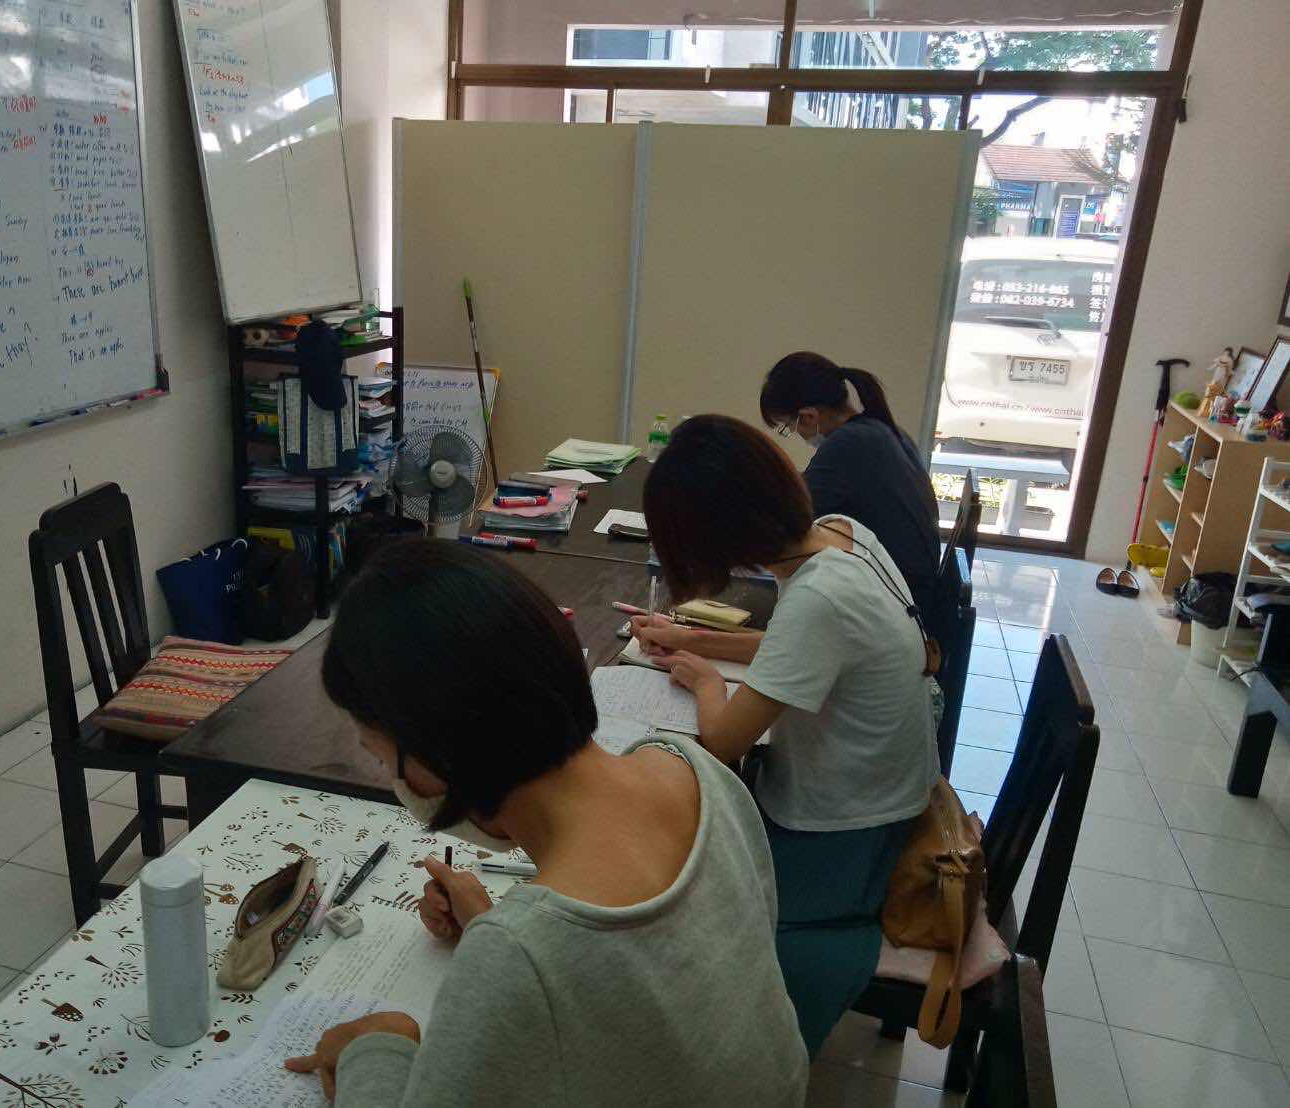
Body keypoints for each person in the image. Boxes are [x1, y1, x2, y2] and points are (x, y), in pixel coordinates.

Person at [284, 539, 808, 1106]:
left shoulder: (515, 955)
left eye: (381, 756)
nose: (393, 778)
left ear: (437, 748)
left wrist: (380, 1045)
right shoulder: (696, 769)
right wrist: (503, 929)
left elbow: (557, 957)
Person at [634, 415, 938, 1055]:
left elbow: (723, 743)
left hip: (852, 831)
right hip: (890, 791)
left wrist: (706, 681)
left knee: (686, 878)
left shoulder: (818, 598)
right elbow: (794, 648)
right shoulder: (842, 534)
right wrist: (693, 637)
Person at [760, 351, 941, 629]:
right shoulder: (882, 430)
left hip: (895, 604)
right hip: (916, 593)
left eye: (787, 427)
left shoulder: (848, 444)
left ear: (807, 416)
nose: (793, 434)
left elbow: (790, 520)